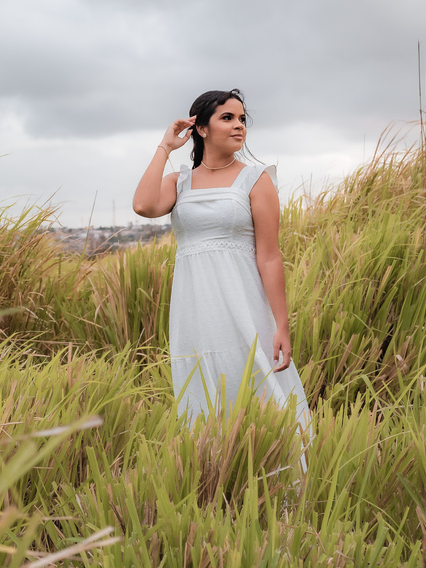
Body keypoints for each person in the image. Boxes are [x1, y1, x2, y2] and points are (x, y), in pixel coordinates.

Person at [132, 89, 311, 447]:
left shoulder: (256, 179)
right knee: (203, 393)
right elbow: (143, 205)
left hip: (243, 303)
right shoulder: (179, 182)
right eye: (227, 118)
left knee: (262, 392)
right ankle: (217, 482)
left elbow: (270, 256)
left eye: (242, 118)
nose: (239, 126)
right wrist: (165, 148)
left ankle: (280, 483)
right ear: (201, 128)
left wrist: (281, 324)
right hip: (195, 308)